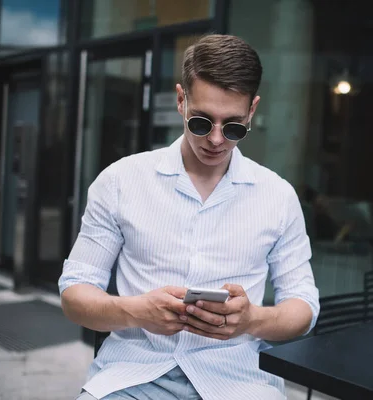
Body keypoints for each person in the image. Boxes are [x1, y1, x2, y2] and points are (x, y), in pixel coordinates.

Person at [59, 34, 320, 400]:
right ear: (181, 100)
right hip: (132, 374)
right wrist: (135, 312)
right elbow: (74, 294)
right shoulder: (120, 181)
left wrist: (252, 320)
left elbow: (304, 306)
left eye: (233, 127)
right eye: (201, 122)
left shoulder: (277, 196)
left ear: (252, 111)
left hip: (238, 380)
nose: (215, 140)